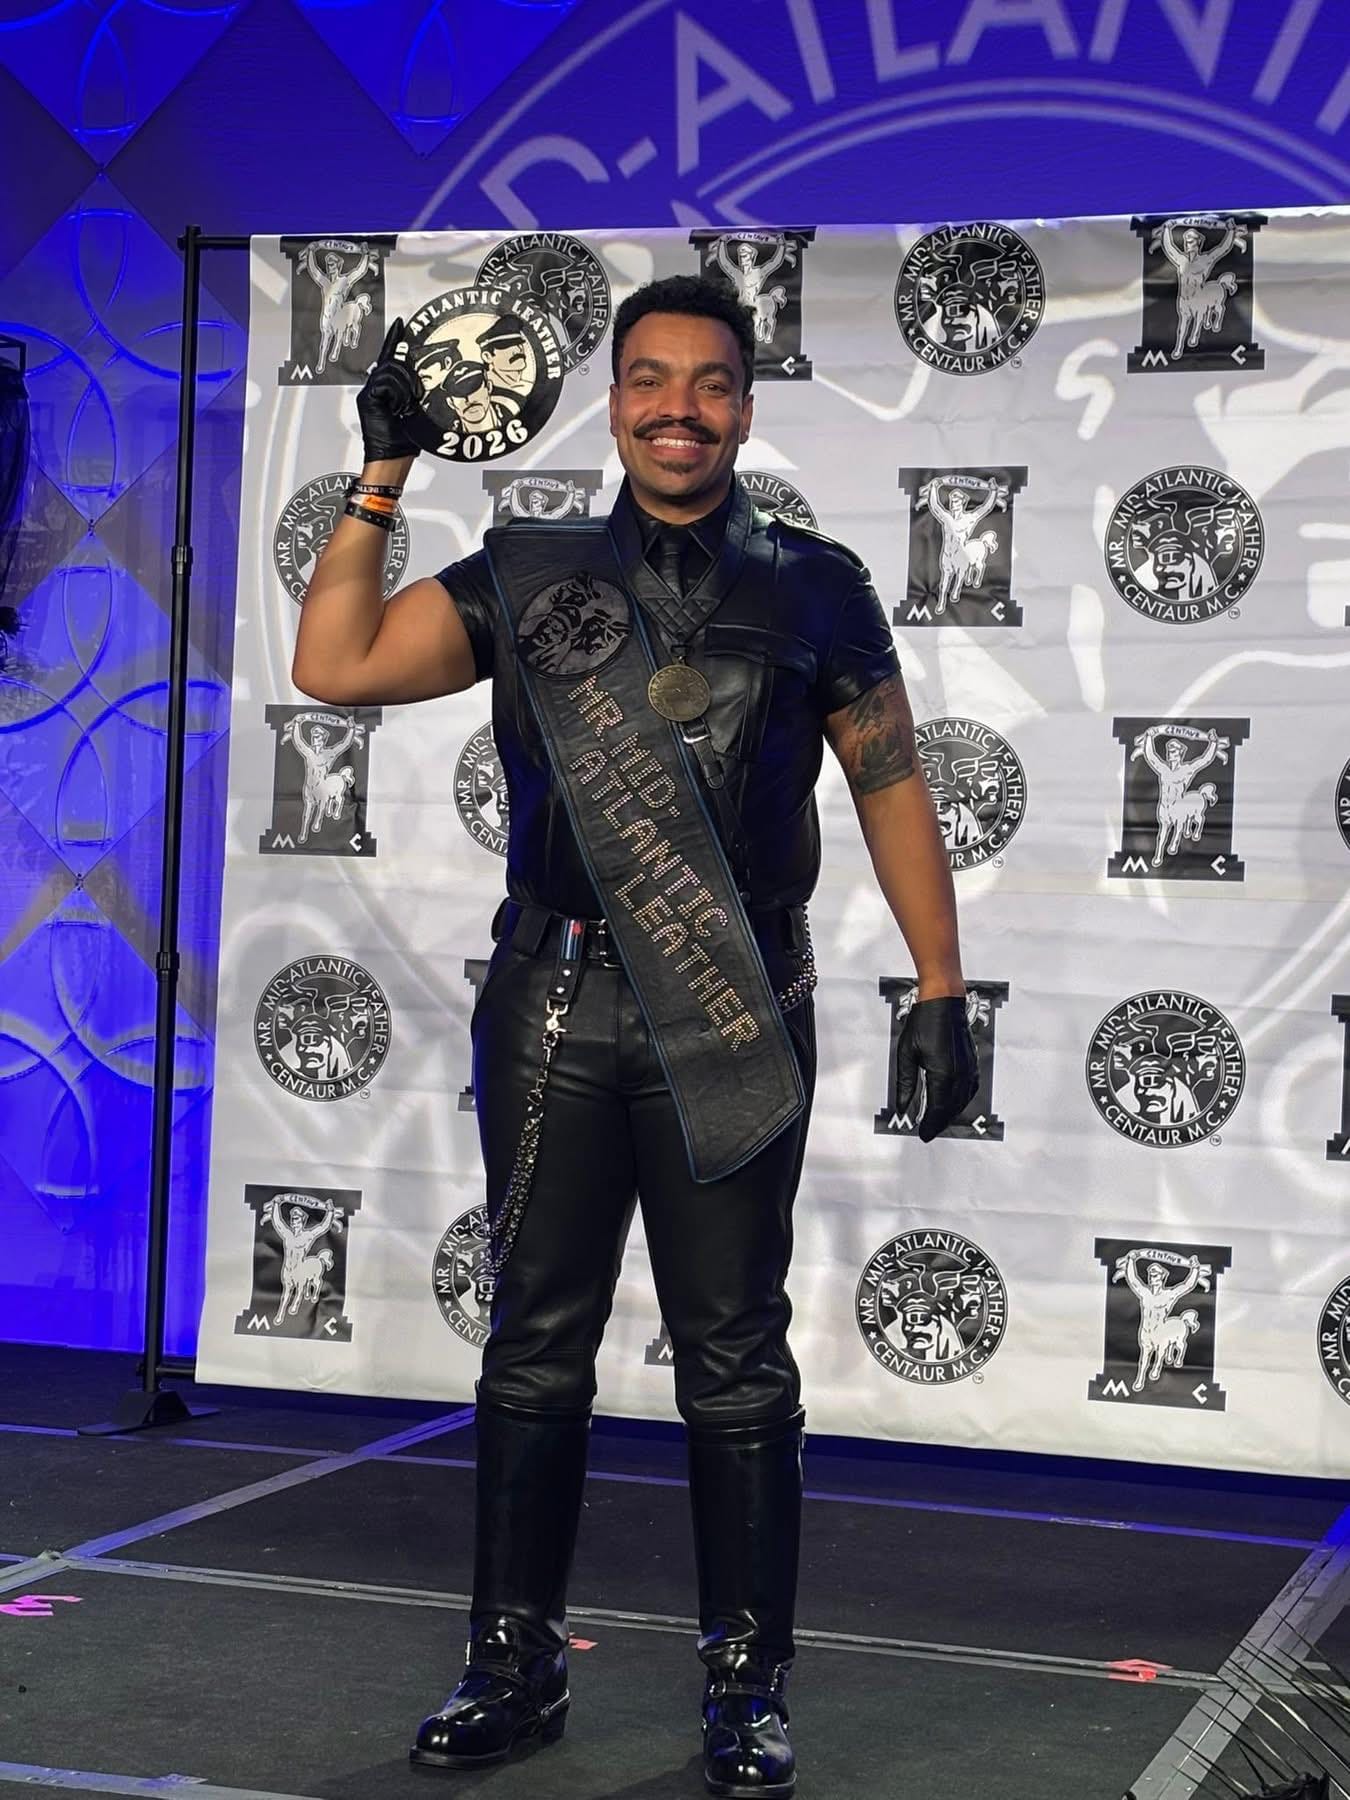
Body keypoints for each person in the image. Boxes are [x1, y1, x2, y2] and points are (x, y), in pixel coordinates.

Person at [291, 273, 978, 1798]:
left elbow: (888, 786)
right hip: (547, 1005)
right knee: (534, 1352)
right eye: (650, 379)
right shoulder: (525, 571)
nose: (680, 407)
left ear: (746, 401)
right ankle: (511, 1669)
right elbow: (330, 668)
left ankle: (746, 1690)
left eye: (712, 383)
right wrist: (385, 467)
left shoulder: (819, 587)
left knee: (735, 1364)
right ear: (611, 400)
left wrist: (940, 983)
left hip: (737, 1007)